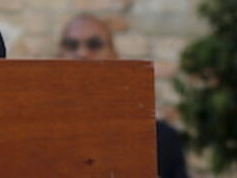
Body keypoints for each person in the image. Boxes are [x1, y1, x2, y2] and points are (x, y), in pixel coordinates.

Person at [59, 14, 190, 178]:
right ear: (59, 55)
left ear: (115, 56)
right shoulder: (33, 135)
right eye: (71, 45)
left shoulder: (161, 139)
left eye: (94, 44)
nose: (82, 53)